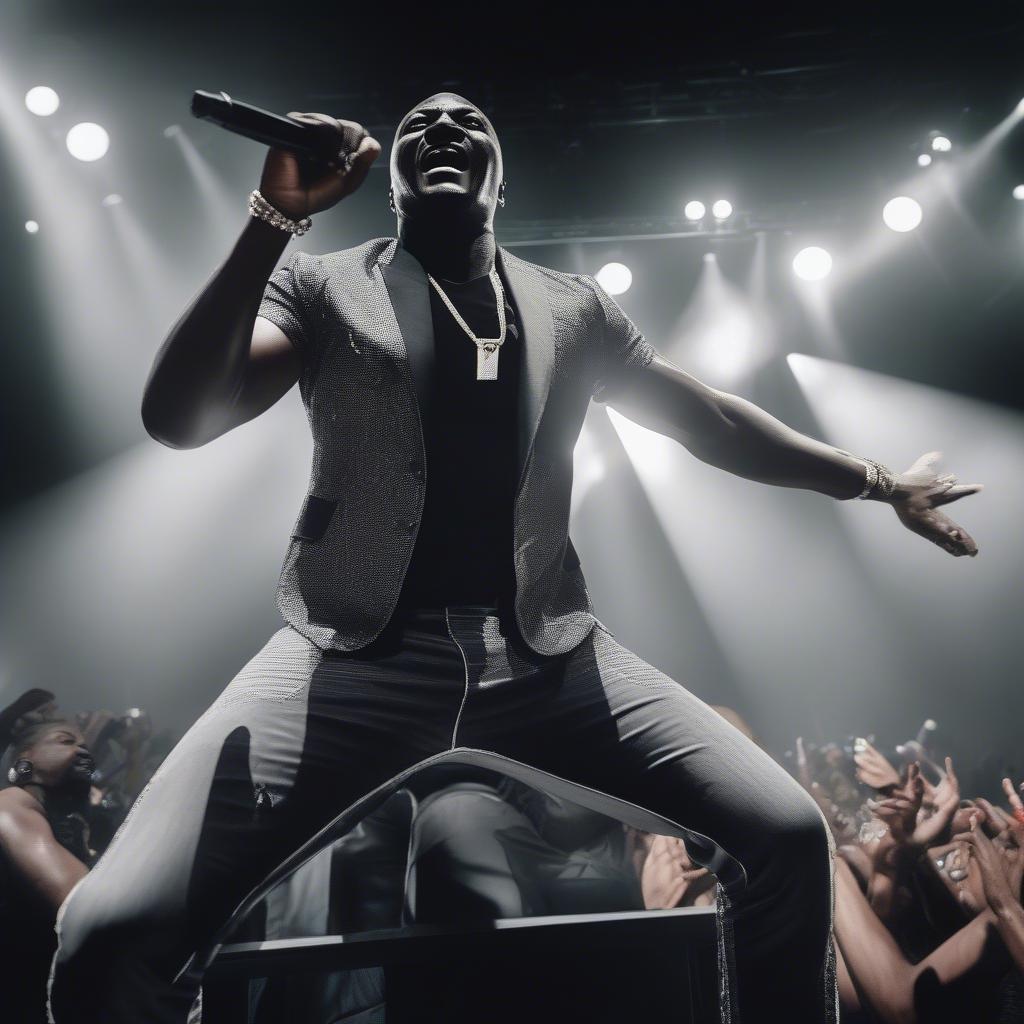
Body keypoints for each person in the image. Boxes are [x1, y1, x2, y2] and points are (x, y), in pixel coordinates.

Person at [49, 91, 983, 1024]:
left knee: (785, 834)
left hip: (548, 658)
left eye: (470, 124)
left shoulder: (572, 308)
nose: (443, 129)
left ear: (504, 176)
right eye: (418, 124)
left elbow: (711, 421)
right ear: (390, 181)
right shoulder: (326, 285)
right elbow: (176, 416)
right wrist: (275, 220)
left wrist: (874, 479)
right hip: (343, 657)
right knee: (109, 932)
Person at [0, 690, 96, 1023]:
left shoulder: (65, 823)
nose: (82, 750)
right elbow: (82, 902)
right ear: (25, 759)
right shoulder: (11, 803)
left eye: (85, 745)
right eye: (65, 741)